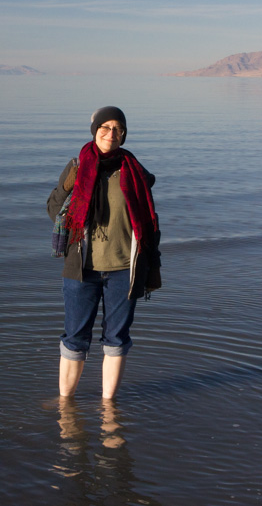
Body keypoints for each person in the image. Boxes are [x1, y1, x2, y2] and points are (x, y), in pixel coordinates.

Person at [47, 106, 161, 399]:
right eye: (105, 127)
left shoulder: (135, 172)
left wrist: (152, 266)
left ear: (123, 134)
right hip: (82, 270)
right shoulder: (77, 166)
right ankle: (65, 405)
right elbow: (53, 209)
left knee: (117, 339)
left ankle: (109, 408)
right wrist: (67, 185)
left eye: (117, 128)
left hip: (124, 270)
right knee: (74, 339)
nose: (111, 133)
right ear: (95, 130)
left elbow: (148, 223)